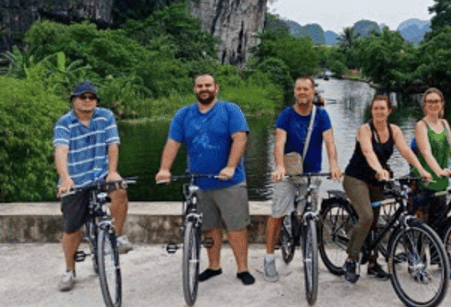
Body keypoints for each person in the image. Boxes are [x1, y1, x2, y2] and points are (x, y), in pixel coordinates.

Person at [155, 73, 255, 285]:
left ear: (216, 87)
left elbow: (240, 138)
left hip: (230, 181)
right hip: (199, 182)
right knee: (209, 227)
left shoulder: (230, 110)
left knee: (236, 226)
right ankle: (214, 266)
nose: (204, 89)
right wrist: (164, 169)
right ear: (194, 89)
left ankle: (242, 268)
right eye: (200, 86)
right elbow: (173, 143)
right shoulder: (183, 115)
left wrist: (230, 166)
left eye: (208, 85)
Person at [342, 94, 434, 283]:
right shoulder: (364, 129)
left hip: (377, 181)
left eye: (383, 108)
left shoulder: (394, 130)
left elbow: (406, 151)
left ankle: (373, 264)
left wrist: (422, 170)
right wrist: (379, 170)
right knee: (366, 216)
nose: (379, 112)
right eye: (376, 108)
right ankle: (351, 259)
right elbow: (368, 151)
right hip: (356, 178)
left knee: (374, 223)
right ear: (371, 111)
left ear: (389, 111)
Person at [54, 81, 133, 292]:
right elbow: (61, 152)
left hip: (100, 175)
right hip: (76, 179)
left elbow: (113, 145)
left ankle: (115, 238)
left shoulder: (105, 116)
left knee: (119, 189)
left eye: (91, 97)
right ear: (74, 100)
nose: (88, 101)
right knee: (72, 228)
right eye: (83, 97)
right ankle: (70, 270)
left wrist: (113, 171)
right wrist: (66, 178)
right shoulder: (64, 123)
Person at [263, 76, 343, 282]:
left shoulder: (322, 115)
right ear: (294, 92)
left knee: (310, 214)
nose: (302, 92)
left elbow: (330, 142)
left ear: (313, 91)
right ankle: (269, 258)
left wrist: (333, 164)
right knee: (278, 213)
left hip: (311, 174)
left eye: (306, 89)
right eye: (298, 89)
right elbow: (279, 143)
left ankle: (308, 252)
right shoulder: (286, 115)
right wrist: (279, 166)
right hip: (288, 172)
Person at [410, 87, 451, 224]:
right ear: (424, 105)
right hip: (425, 181)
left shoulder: (444, 123)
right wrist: (439, 171)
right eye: (429, 101)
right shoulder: (421, 126)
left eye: (436, 101)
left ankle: (437, 246)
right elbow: (426, 153)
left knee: (440, 222)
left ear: (442, 104)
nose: (433, 104)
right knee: (421, 225)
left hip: (441, 181)